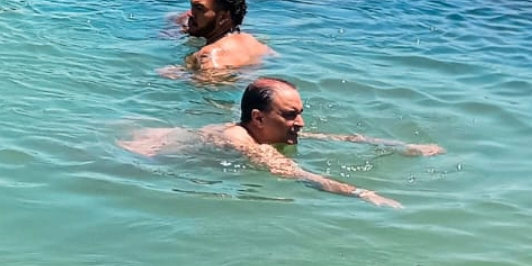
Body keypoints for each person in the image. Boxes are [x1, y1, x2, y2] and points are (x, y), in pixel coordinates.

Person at [120, 78, 444, 207]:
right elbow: (298, 175)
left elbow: (337, 137)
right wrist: (364, 193)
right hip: (139, 158)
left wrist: (402, 146)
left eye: (300, 113)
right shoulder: (242, 144)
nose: (300, 123)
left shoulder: (264, 131)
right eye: (290, 116)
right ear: (258, 118)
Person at [183, 0, 272, 71]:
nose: (191, 14)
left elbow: (212, 82)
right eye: (192, 6)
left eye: (199, 8)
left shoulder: (210, 54)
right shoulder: (255, 44)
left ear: (223, 17)